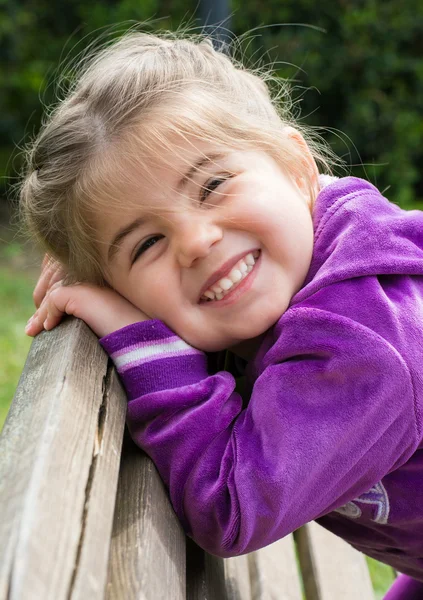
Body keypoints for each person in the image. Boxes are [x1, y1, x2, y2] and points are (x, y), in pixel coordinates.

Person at [19, 29, 423, 599]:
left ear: (297, 167)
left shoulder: (366, 340)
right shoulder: (311, 242)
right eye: (145, 245)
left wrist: (139, 338)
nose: (196, 241)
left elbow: (231, 505)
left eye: (212, 185)